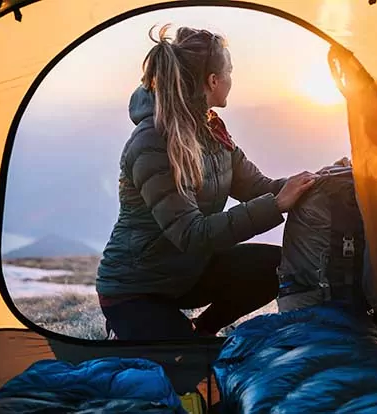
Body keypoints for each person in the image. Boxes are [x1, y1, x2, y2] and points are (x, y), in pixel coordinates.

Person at [96, 24, 318, 340]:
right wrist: (276, 205)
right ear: (213, 81)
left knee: (275, 265)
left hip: (187, 273)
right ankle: (155, 332)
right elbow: (191, 234)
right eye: (230, 72)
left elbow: (257, 187)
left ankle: (202, 332)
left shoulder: (212, 130)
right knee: (184, 367)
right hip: (136, 288)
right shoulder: (153, 143)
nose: (232, 79)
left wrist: (319, 180)